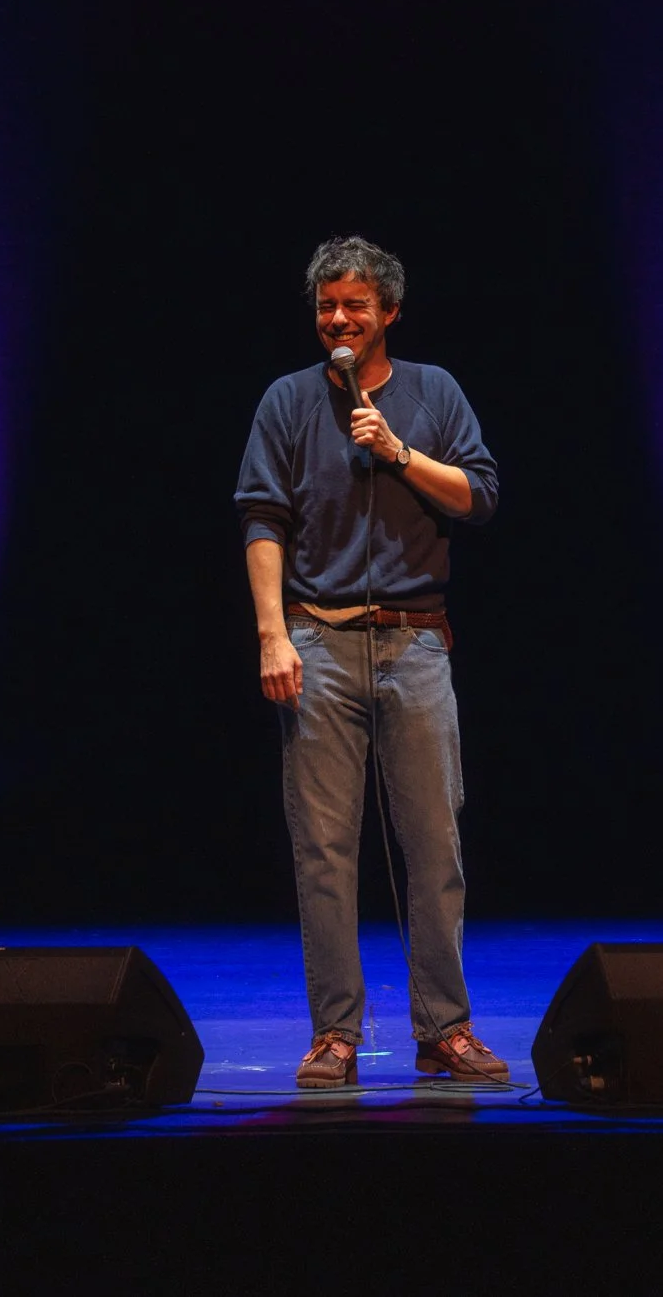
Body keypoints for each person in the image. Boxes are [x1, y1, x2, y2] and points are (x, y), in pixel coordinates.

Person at [235, 235, 508, 1089]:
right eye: (327, 306)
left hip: (417, 639)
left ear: (389, 311)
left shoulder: (434, 392)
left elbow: (480, 497)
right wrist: (272, 634)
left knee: (434, 844)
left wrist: (396, 451)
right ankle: (335, 1036)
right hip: (318, 639)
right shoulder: (285, 401)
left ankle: (445, 1029)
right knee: (323, 849)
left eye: (355, 305)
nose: (339, 320)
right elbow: (262, 519)